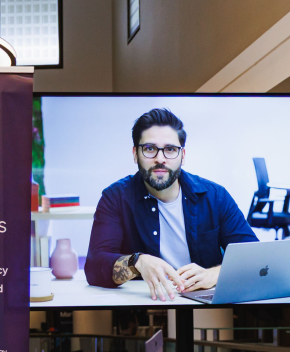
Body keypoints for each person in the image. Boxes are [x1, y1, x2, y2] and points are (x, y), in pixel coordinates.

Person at [84, 108, 258, 300]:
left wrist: (215, 274)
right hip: (143, 304)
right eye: (150, 149)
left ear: (183, 155)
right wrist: (137, 262)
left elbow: (255, 257)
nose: (160, 159)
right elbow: (94, 267)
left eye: (170, 149)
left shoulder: (215, 197)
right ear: (135, 154)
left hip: (205, 303)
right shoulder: (115, 197)